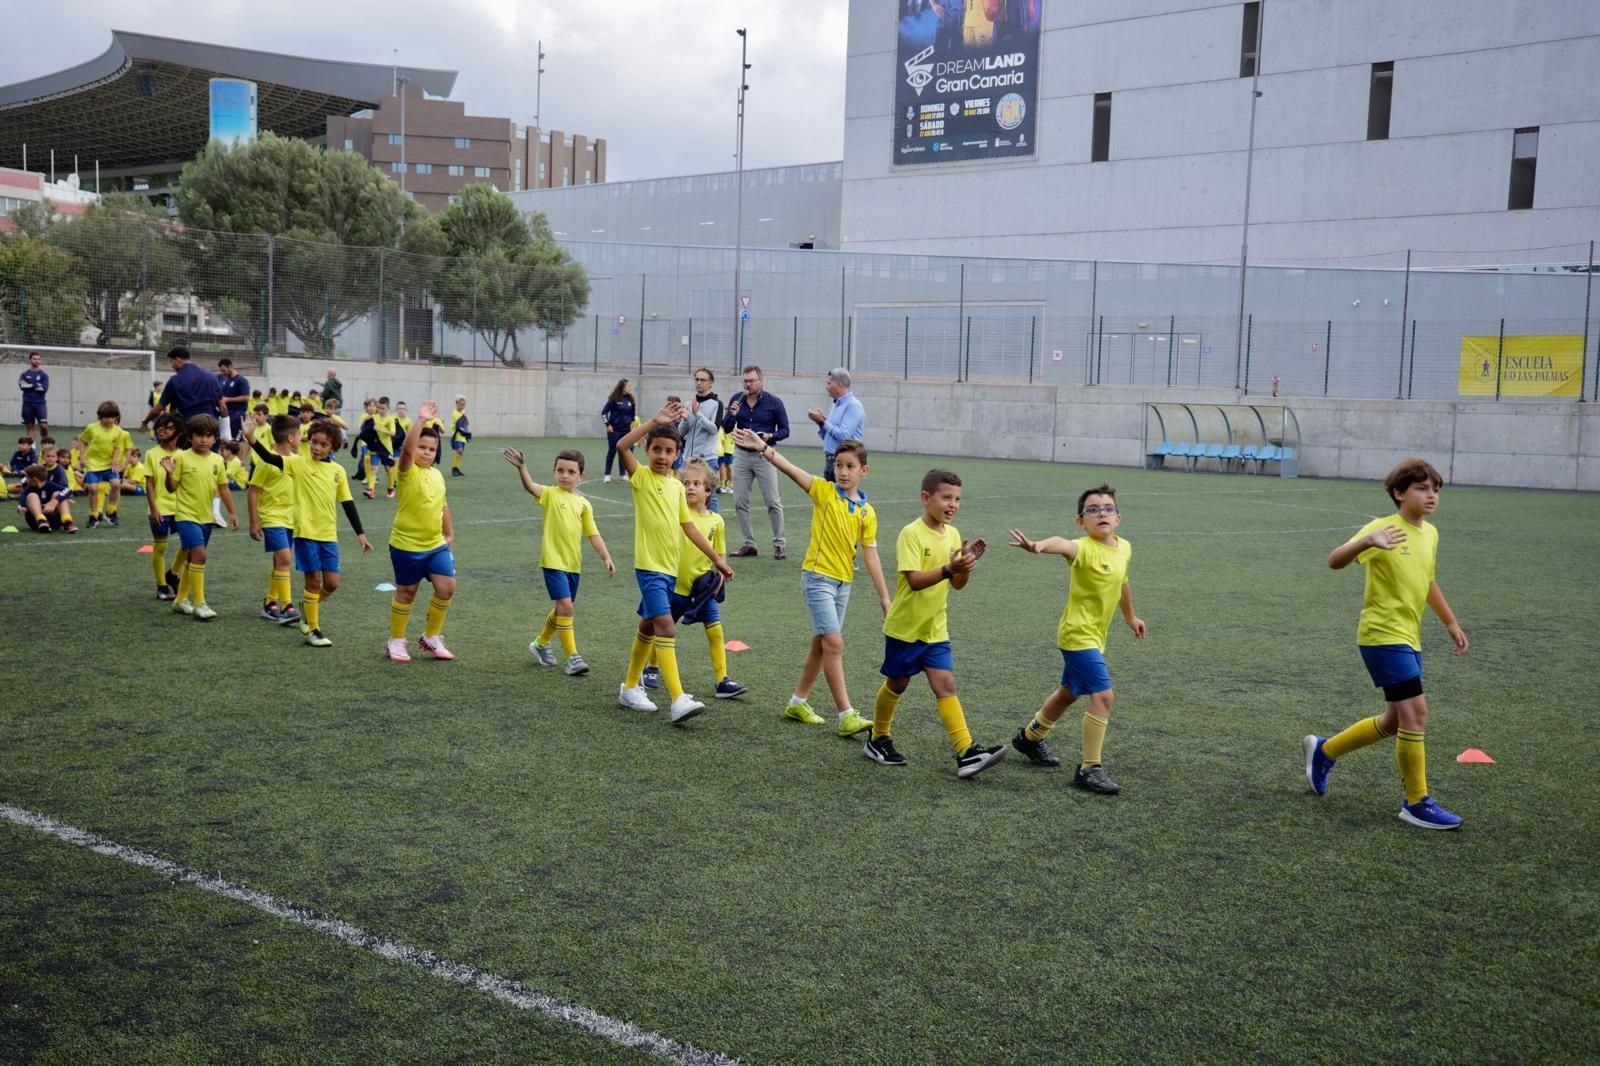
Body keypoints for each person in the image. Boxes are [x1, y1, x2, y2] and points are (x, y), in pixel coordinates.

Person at [1303, 458, 1469, 830]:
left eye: (1436, 490)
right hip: (1381, 636)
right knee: (1417, 714)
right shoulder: (1383, 529)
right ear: (1399, 493)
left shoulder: (1431, 534)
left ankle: (1324, 752)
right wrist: (1366, 540)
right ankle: (1416, 802)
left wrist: (1450, 622)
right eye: (1422, 488)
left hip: (1409, 638)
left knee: (1396, 721)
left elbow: (1427, 582)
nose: (1431, 496)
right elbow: (1334, 560)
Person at [736, 430, 890, 736]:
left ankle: (797, 702)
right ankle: (846, 715)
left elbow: (871, 555)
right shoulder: (824, 491)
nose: (843, 472)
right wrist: (764, 448)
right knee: (833, 643)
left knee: (821, 644)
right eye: (839, 465)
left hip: (843, 584)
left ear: (863, 470)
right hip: (817, 578)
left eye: (849, 466)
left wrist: (884, 598)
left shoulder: (867, 512)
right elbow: (791, 470)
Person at [865, 469, 1007, 779]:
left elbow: (957, 585)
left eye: (957, 499)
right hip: (905, 627)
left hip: (936, 629)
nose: (953, 504)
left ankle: (966, 750)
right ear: (926, 498)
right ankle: (878, 738)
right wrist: (948, 567)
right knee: (898, 683)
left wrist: (965, 565)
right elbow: (914, 581)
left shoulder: (954, 535)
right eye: (946, 497)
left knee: (945, 685)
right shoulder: (911, 533)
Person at [1006, 485, 1147, 795]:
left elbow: (1123, 583)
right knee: (1104, 696)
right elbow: (1062, 545)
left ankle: (1029, 738)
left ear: (1118, 518)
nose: (1101, 514)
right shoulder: (1082, 548)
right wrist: (1039, 546)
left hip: (1096, 637)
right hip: (1076, 635)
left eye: (1107, 508)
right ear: (1081, 522)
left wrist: (1130, 617)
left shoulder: (1124, 548)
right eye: (1092, 510)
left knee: (1069, 692)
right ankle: (1089, 768)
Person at [614, 401, 735, 725]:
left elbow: (690, 528)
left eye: (669, 450)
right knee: (666, 627)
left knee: (649, 626)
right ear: (648, 450)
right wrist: (654, 420)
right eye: (656, 449)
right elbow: (621, 445)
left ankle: (629, 688)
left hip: (669, 570)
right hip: (650, 567)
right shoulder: (640, 478)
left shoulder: (676, 488)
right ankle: (678, 698)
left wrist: (717, 561)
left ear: (677, 453)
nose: (662, 456)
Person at [250, 420, 373, 647]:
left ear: (333, 447)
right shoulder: (298, 464)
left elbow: (347, 502)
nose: (317, 448)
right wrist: (250, 437)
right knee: (314, 580)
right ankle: (313, 630)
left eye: (323, 445)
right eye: (314, 442)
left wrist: (361, 533)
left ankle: (308, 606)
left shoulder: (338, 471)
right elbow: (270, 458)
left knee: (332, 583)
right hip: (306, 533)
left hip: (328, 535)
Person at [642, 459, 745, 699]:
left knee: (716, 631)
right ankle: (651, 667)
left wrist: (721, 572)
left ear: (708, 491)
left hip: (702, 589)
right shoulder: (677, 515)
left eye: (697, 483)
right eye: (686, 483)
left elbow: (720, 552)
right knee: (664, 628)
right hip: (674, 585)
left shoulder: (716, 521)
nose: (690, 487)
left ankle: (722, 681)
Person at [508, 446, 615, 676]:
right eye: (560, 470)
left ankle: (540, 644)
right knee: (566, 607)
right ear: (554, 472)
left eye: (571, 472)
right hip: (553, 562)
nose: (565, 475)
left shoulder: (584, 504)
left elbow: (592, 534)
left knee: (562, 610)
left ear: (581, 476)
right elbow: (530, 487)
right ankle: (573, 658)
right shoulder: (549, 494)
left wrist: (606, 556)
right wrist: (522, 468)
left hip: (573, 565)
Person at [385, 401, 458, 662]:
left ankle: (431, 636)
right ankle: (396, 640)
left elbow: (443, 505)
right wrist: (421, 421)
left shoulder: (437, 475)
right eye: (422, 447)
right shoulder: (406, 472)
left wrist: (449, 534)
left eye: (431, 449)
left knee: (447, 587)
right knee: (407, 592)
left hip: (435, 544)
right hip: (406, 544)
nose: (426, 453)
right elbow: (405, 451)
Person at [162, 414, 238, 621]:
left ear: (215, 438)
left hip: (206, 518)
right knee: (201, 556)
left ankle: (180, 600)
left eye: (209, 435)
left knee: (192, 558)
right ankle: (200, 603)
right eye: (199, 435)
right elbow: (171, 489)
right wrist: (169, 473)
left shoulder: (217, 460)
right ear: (190, 436)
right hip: (186, 516)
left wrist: (231, 512)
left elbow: (223, 488)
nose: (204, 440)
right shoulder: (181, 458)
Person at [720, 365, 790, 558]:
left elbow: (785, 430)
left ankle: (779, 544)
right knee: (740, 500)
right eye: (745, 381)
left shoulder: (774, 403)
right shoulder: (737, 400)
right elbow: (726, 428)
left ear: (761, 381)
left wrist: (770, 435)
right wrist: (732, 415)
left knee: (772, 501)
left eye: (751, 381)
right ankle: (749, 543)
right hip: (741, 456)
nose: (748, 384)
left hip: (764, 455)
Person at [248, 415, 302, 625]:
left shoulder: (297, 461)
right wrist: (254, 521)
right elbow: (253, 492)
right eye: (298, 434)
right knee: (285, 559)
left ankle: (270, 602)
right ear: (290, 437)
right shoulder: (267, 461)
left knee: (280, 561)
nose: (301, 437)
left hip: (291, 519)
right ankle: (287, 607)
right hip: (272, 518)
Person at [142, 413, 185, 601]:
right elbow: (149, 483)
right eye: (159, 426)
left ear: (178, 433)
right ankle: (161, 586)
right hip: (160, 508)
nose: (161, 430)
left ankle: (173, 574)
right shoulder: (152, 454)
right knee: (160, 547)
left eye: (168, 428)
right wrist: (153, 508)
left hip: (183, 509)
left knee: (190, 545)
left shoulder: (184, 456)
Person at [74, 401, 132, 528]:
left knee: (116, 484)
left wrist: (115, 460)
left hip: (108, 465)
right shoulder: (91, 428)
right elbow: (83, 441)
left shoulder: (118, 431)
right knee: (93, 489)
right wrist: (82, 457)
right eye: (106, 417)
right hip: (93, 464)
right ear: (100, 416)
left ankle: (111, 511)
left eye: (112, 417)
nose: (109, 420)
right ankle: (93, 515)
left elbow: (117, 447)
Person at [140, 347, 222, 429]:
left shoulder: (175, 381)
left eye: (171, 362)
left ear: (177, 360)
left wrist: (145, 422)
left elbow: (158, 409)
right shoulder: (211, 376)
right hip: (210, 427)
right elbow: (223, 406)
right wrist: (225, 433)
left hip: (188, 427)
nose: (172, 366)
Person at [807, 368, 866, 482]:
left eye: (829, 383)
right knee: (830, 499)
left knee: (841, 499)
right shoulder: (836, 405)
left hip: (845, 464)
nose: (827, 387)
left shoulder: (853, 406)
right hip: (831, 462)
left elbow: (843, 436)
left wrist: (824, 422)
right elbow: (829, 436)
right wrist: (820, 422)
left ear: (838, 384)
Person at [677, 369, 723, 507]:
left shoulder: (717, 404)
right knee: (685, 497)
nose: (699, 383)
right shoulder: (689, 404)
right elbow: (681, 432)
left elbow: (714, 429)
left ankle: (714, 528)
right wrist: (685, 419)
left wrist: (697, 414)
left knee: (711, 498)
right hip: (688, 459)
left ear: (711, 383)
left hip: (707, 460)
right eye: (696, 379)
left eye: (702, 380)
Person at [17, 464, 77, 533]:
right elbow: (20, 504)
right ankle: (41, 521)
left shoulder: (51, 485)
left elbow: (68, 490)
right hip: (35, 522)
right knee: (32, 496)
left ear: (34, 479)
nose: (26, 480)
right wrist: (22, 508)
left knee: (58, 494)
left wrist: (54, 502)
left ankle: (67, 522)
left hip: (54, 519)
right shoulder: (28, 490)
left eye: (27, 477)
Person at [600, 378, 637, 483]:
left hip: (626, 430)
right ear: (623, 387)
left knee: (625, 451)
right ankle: (607, 475)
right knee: (612, 451)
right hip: (614, 430)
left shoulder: (631, 400)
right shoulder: (614, 399)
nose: (631, 388)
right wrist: (608, 425)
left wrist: (633, 420)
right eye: (629, 386)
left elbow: (632, 413)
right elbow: (604, 413)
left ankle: (622, 474)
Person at [216, 358, 251, 441]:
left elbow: (246, 397)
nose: (222, 373)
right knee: (225, 439)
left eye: (224, 370)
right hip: (226, 414)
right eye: (221, 371)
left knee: (237, 440)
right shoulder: (224, 379)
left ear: (230, 367)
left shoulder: (241, 380)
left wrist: (227, 399)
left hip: (237, 414)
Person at [18, 351, 49, 439]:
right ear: (30, 360)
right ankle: (32, 449)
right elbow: (21, 386)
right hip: (27, 403)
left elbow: (43, 389)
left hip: (40, 404)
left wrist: (28, 385)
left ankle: (45, 443)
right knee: (30, 426)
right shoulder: (24, 374)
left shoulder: (44, 375)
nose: (37, 361)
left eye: (38, 359)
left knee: (43, 425)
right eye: (34, 359)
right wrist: (35, 385)